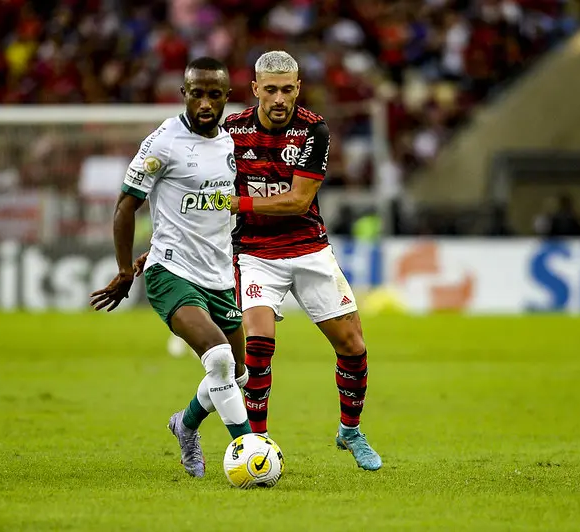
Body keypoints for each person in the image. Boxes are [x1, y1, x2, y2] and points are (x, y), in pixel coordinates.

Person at [90, 57, 250, 479]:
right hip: (171, 274)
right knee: (217, 360)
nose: (204, 103)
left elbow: (218, 212)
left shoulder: (231, 143)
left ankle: (186, 424)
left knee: (241, 373)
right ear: (184, 93)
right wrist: (127, 270)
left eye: (214, 95)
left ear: (225, 98)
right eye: (196, 93)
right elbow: (127, 205)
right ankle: (250, 447)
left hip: (219, 276)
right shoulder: (164, 141)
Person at [225, 51, 381, 471]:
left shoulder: (314, 131)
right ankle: (256, 441)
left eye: (288, 89)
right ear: (255, 88)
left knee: (353, 346)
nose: (280, 98)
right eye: (271, 89)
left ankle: (350, 430)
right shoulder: (230, 132)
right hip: (255, 253)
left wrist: (233, 202)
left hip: (309, 248)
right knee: (257, 346)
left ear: (298, 88)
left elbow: (297, 201)